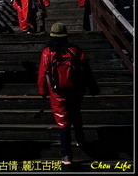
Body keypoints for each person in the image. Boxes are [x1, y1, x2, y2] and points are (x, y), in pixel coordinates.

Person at [37, 23, 99, 165]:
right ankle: (80, 139)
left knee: (62, 120)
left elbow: (42, 73)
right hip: (76, 90)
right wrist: (93, 87)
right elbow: (86, 70)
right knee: (76, 113)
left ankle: (66, 156)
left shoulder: (47, 52)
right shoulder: (75, 50)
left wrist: (42, 91)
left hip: (57, 92)